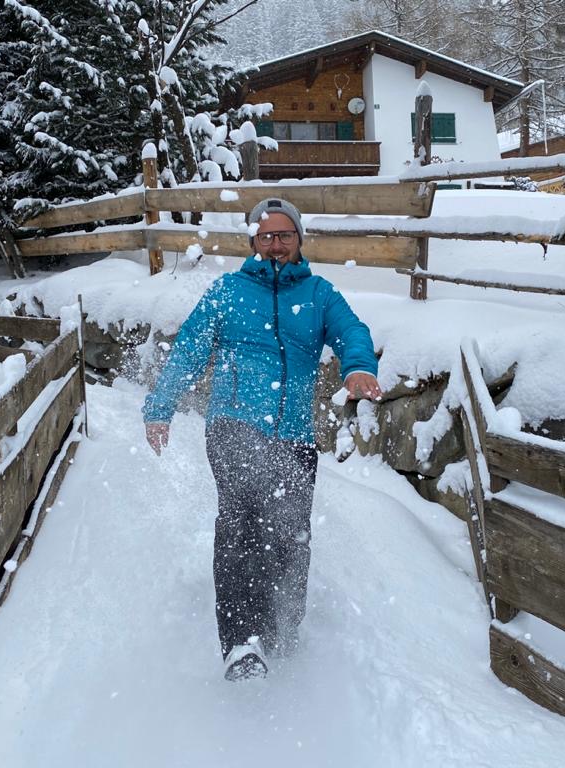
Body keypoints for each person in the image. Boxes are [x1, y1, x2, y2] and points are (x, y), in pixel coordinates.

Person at [143, 198, 381, 682]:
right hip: (233, 424)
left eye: (284, 235)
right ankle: (241, 642)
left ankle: (282, 629)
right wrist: (160, 405)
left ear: (299, 240)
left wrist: (358, 365)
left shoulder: (318, 294)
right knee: (242, 521)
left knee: (291, 533)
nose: (275, 244)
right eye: (266, 236)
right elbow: (191, 347)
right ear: (252, 242)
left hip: (294, 434)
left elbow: (352, 331)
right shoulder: (228, 291)